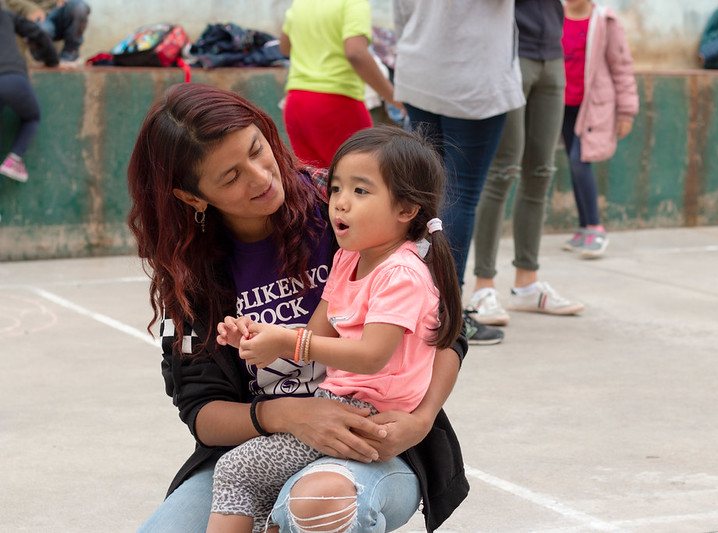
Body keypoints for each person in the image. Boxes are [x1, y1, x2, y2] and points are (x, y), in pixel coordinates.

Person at [127, 83, 468, 533]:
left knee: (314, 507)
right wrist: (285, 414)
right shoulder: (190, 277)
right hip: (267, 442)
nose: (260, 177)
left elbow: (445, 334)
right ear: (192, 197)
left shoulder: (343, 205)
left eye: (257, 149)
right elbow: (201, 411)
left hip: (373, 443)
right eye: (230, 177)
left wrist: (421, 421)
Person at [206, 125, 462, 533]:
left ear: (406, 209)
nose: (340, 203)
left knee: (238, 470)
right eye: (338, 188)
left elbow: (372, 353)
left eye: (360, 192)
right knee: (268, 497)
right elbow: (317, 334)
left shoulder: (402, 273)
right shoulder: (349, 258)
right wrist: (259, 336)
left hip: (368, 412)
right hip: (338, 402)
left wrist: (289, 342)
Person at [392, 0, 525, 345]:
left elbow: (401, 13)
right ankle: (448, 312)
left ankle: (412, 305)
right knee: (458, 194)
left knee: (425, 193)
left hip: (420, 66)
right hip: (472, 75)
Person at [468, 0, 585, 327]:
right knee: (502, 171)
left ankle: (527, 284)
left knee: (541, 172)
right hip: (511, 53)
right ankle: (482, 286)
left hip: (553, 54)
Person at [279, 0, 403, 169]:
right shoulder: (352, 3)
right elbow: (355, 53)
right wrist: (393, 97)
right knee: (362, 178)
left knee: (314, 186)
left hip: (296, 102)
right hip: (337, 105)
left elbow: (285, 47)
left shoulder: (301, 3)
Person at [560, 0, 639, 259]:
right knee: (573, 163)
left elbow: (622, 66)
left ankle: (596, 227)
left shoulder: (605, 20)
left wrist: (626, 110)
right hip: (563, 106)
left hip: (593, 106)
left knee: (579, 160)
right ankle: (584, 228)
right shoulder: (555, 15)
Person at [0, 6, 58, 183]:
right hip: (11, 77)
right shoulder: (7, 15)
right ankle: (15, 159)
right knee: (32, 116)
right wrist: (53, 61)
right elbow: (38, 34)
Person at [6, 0, 90, 63]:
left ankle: (70, 55)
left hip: (59, 10)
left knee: (79, 6)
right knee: (41, 30)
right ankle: (43, 58)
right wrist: (30, 9)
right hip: (36, 15)